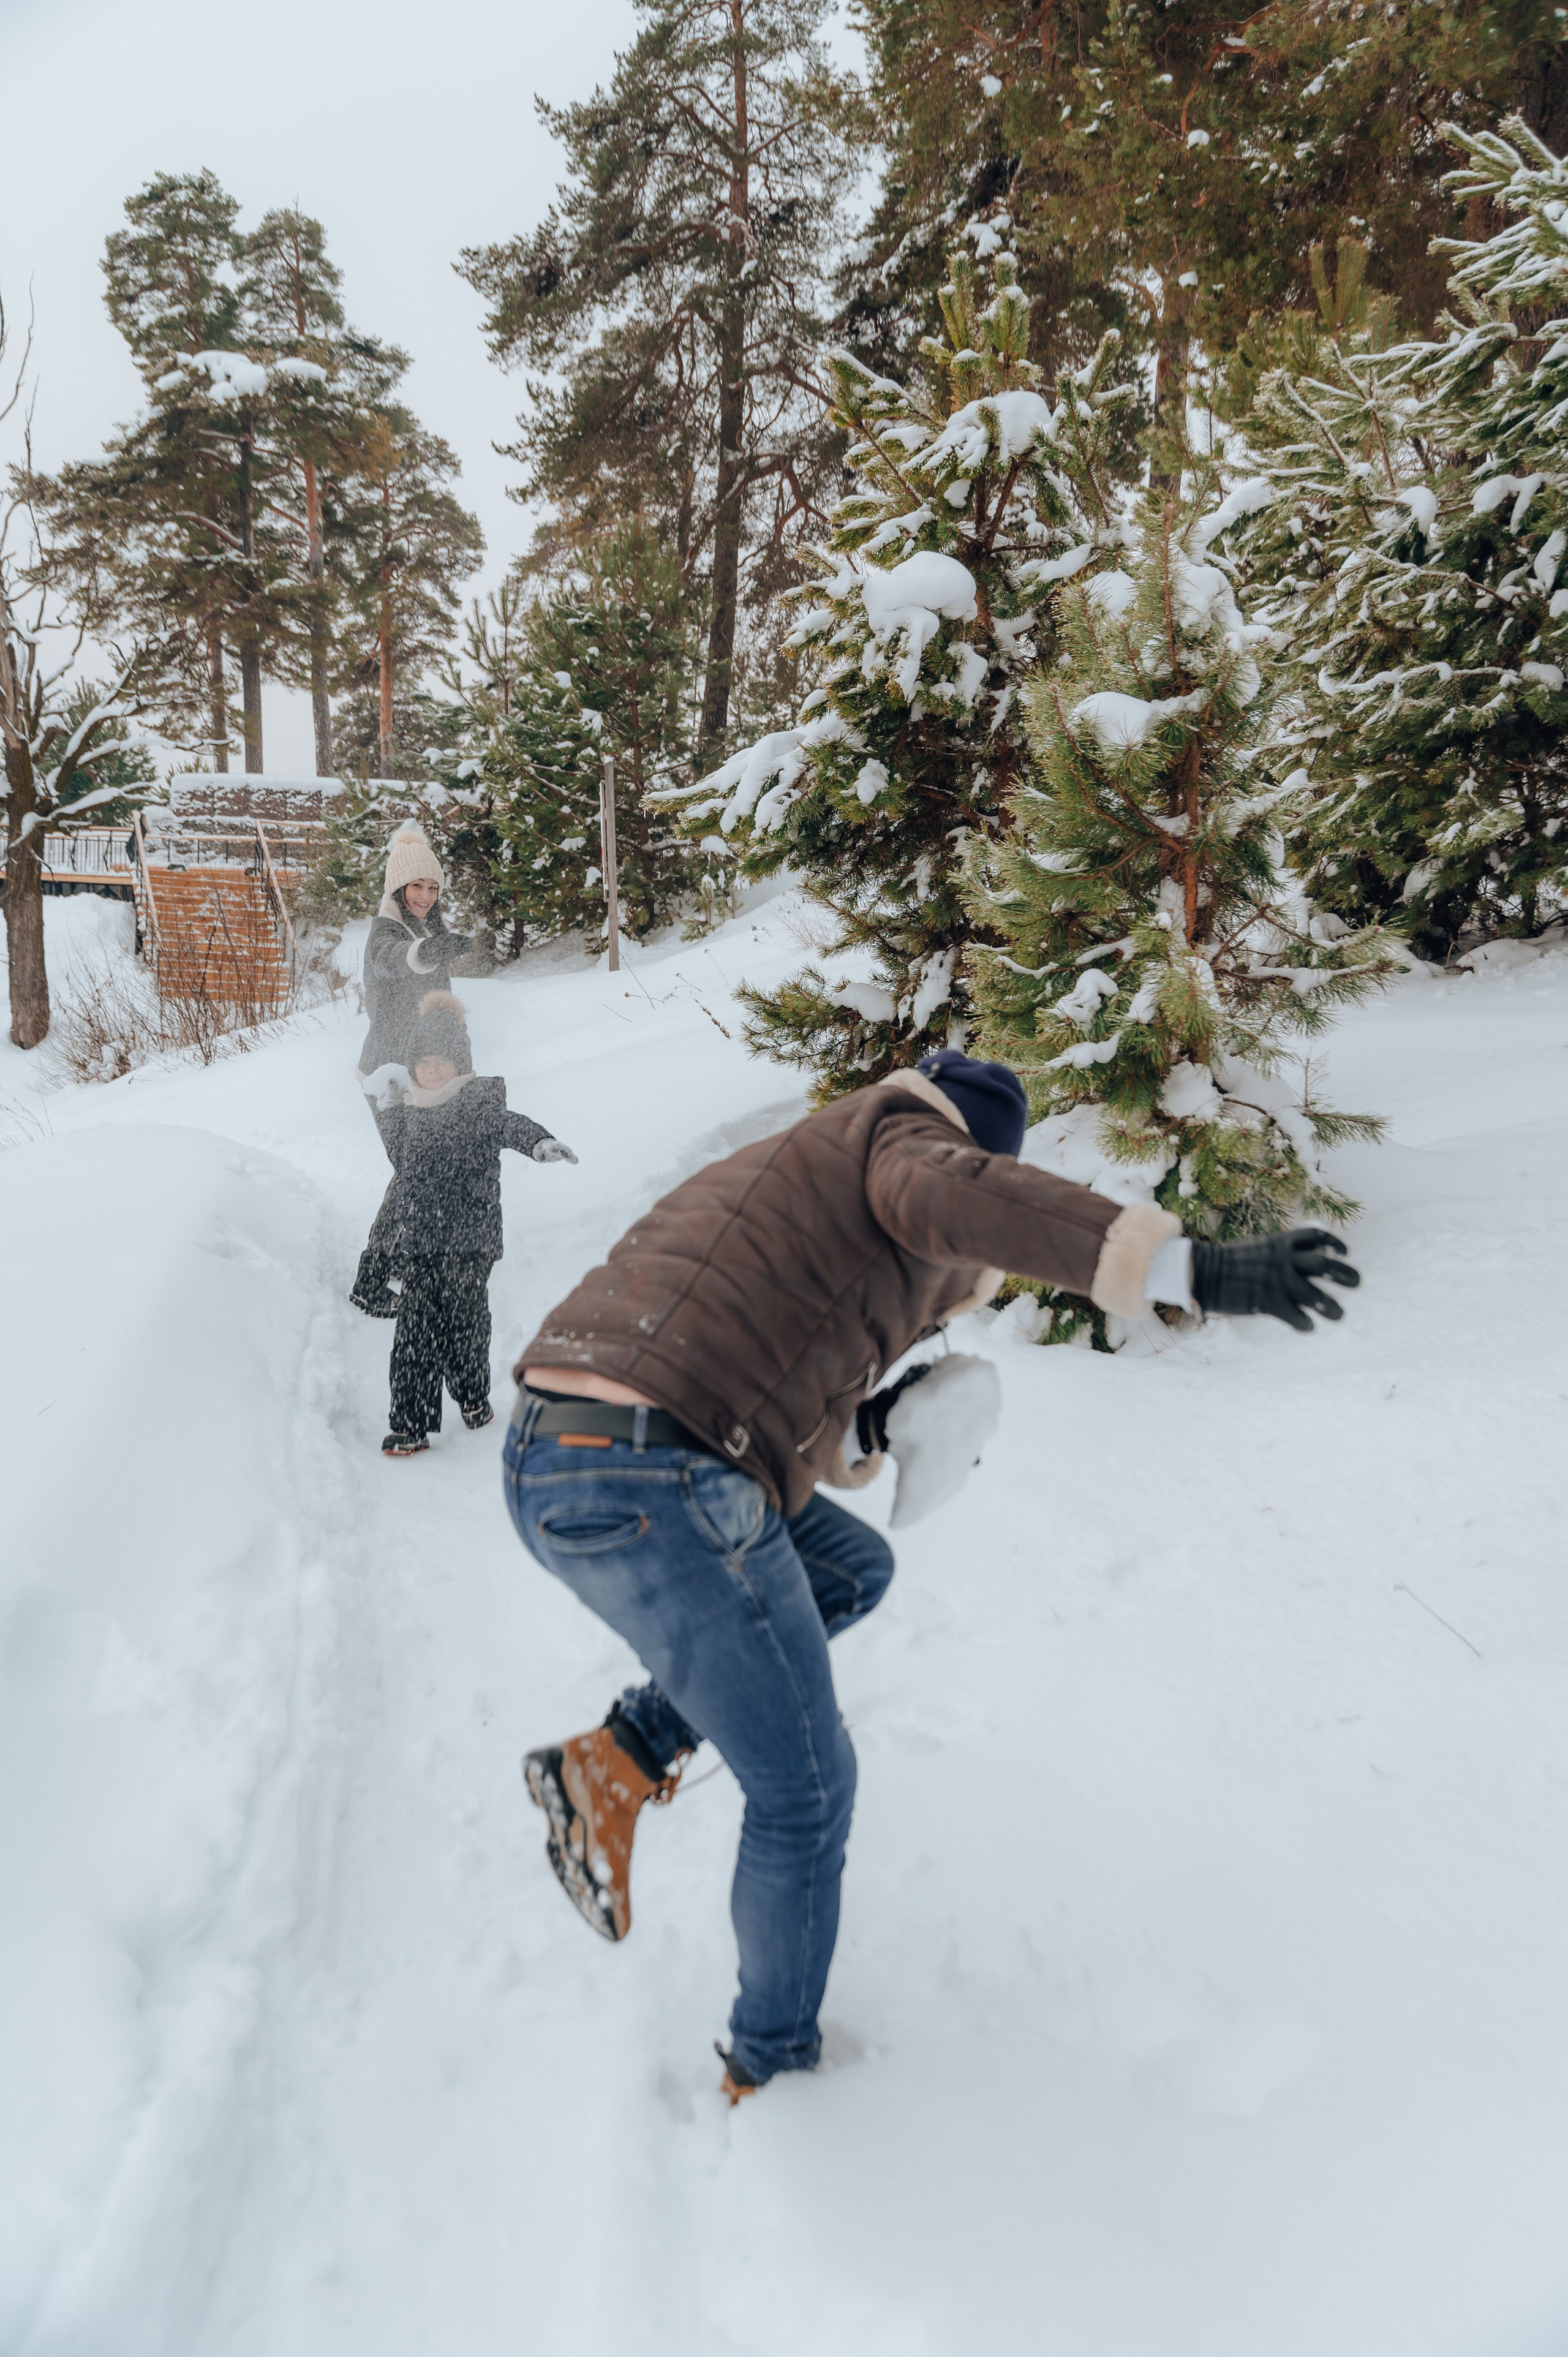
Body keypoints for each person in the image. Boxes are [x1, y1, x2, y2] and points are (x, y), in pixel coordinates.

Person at [503, 1049, 1359, 2102]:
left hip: (560, 1452)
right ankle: (771, 2069)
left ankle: (620, 1757)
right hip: (657, 1475)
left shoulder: (796, 1177)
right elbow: (960, 1195)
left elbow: (753, 1358)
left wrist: (875, 1425)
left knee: (851, 1566)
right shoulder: (902, 1140)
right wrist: (1190, 1271)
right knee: (807, 1790)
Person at [381, 990, 578, 1458]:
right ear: (414, 1068)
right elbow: (401, 1168)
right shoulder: (411, 1112)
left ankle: (473, 1399)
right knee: (414, 1335)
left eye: (443, 1061)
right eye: (425, 1062)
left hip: (470, 1242)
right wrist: (387, 1111)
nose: (434, 1070)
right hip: (422, 1243)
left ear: (460, 1064)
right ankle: (409, 1425)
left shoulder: (476, 1104)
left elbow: (510, 1124)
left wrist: (539, 1142)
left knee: (465, 1328)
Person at [352, 824, 478, 1318]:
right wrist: (428, 952)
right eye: (416, 887)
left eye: (433, 888)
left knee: (424, 1169)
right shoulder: (385, 934)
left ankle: (400, 1256)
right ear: (397, 889)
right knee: (414, 1171)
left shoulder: (428, 931)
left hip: (422, 1074)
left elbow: (440, 1010)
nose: (425, 897)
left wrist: (462, 1067)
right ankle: (370, 1282)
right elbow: (395, 962)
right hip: (387, 1076)